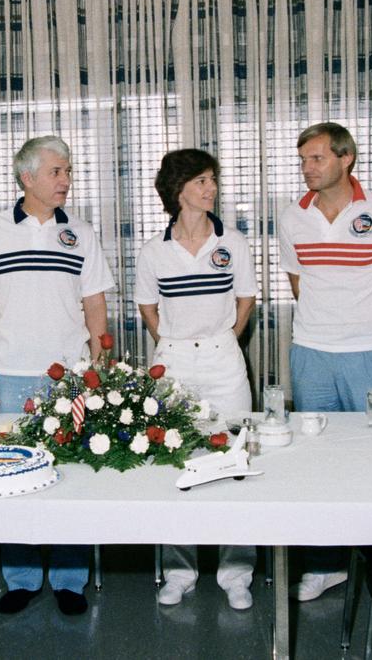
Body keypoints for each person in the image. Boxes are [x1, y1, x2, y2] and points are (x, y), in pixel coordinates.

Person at [0, 135, 114, 617]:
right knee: (12, 478)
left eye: (68, 171)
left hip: (70, 379)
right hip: (9, 374)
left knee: (70, 480)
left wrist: (100, 369)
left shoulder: (82, 233)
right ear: (27, 178)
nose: (66, 180)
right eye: (57, 172)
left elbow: (95, 304)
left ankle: (70, 580)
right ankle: (22, 579)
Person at [276, 122, 372, 602]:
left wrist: (364, 326)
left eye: (316, 159)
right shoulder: (291, 217)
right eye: (303, 160)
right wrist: (328, 325)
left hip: (368, 353)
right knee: (315, 461)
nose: (307, 169)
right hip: (311, 351)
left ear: (346, 158)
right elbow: (299, 283)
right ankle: (325, 564)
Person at [135, 149, 258, 611]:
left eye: (213, 181)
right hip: (174, 365)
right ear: (178, 188)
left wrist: (226, 340)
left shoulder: (235, 243)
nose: (211, 189)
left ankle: (236, 574)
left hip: (225, 362)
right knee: (177, 466)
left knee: (234, 462)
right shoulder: (153, 250)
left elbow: (245, 299)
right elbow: (148, 307)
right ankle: (179, 573)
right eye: (202, 181)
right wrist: (172, 345)